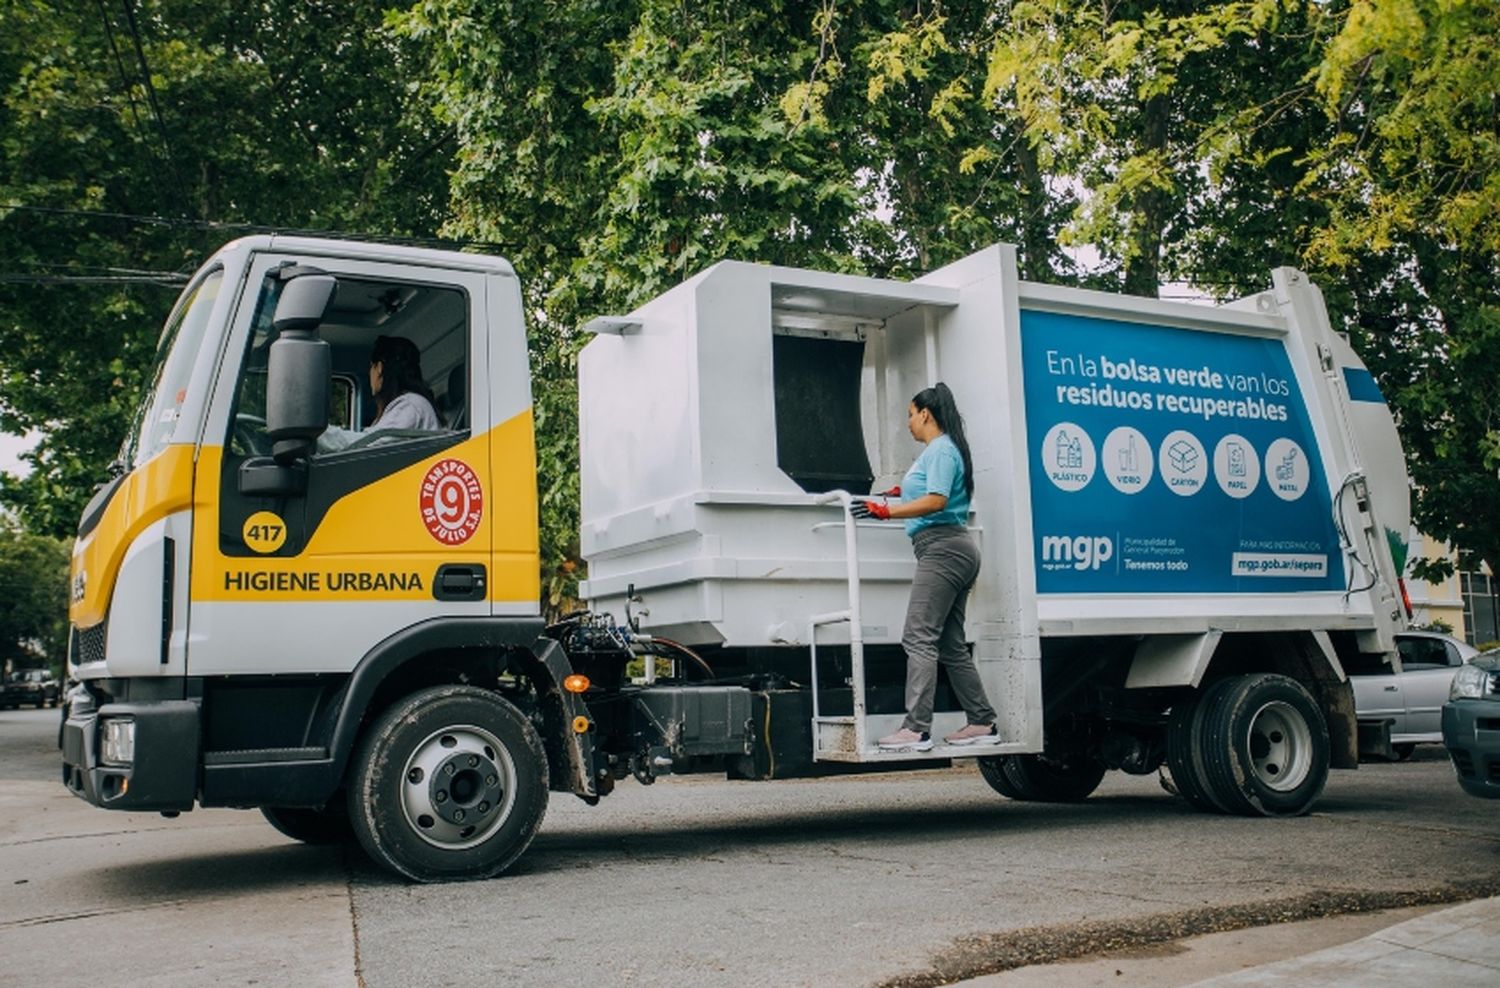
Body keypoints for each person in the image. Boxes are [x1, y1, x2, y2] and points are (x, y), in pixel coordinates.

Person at [851, 382, 999, 752]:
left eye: (909, 415)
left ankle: (915, 729)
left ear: (925, 414)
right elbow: (925, 492)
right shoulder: (939, 452)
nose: (908, 423)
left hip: (943, 548)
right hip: (950, 549)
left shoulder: (942, 451)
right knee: (949, 645)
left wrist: (886, 512)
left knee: (918, 635)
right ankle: (981, 721)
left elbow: (936, 500)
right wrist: (895, 495)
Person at [319, 335, 441, 452]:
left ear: (379, 367)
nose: (370, 374)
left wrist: (317, 433)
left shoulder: (411, 405)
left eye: (371, 367)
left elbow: (367, 445)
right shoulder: (409, 404)